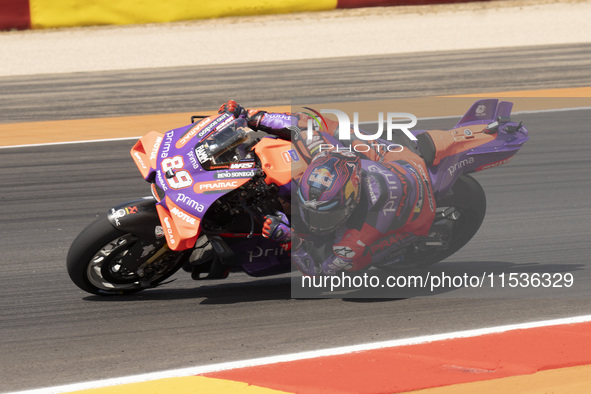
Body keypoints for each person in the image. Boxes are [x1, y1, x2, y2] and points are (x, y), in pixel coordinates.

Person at [218, 100, 436, 275]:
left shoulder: (357, 237)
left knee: (352, 267)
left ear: (351, 204)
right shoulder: (324, 151)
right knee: (329, 125)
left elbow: (319, 271)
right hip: (391, 162)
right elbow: (302, 124)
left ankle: (400, 246)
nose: (315, 222)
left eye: (326, 216)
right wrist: (251, 116)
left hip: (418, 206)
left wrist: (289, 240)